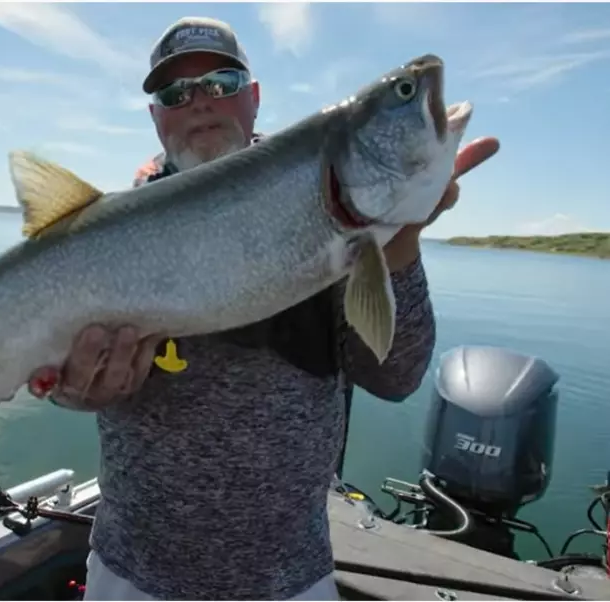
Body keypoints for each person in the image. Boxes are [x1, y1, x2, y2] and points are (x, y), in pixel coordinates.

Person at [32, 16, 501, 601]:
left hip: (290, 580)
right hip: (133, 575)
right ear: (155, 117)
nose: (200, 101)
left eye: (221, 82)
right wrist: (74, 390)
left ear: (253, 99)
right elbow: (54, 372)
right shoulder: (110, 235)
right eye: (175, 93)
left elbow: (395, 374)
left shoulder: (328, 201)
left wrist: (401, 239)